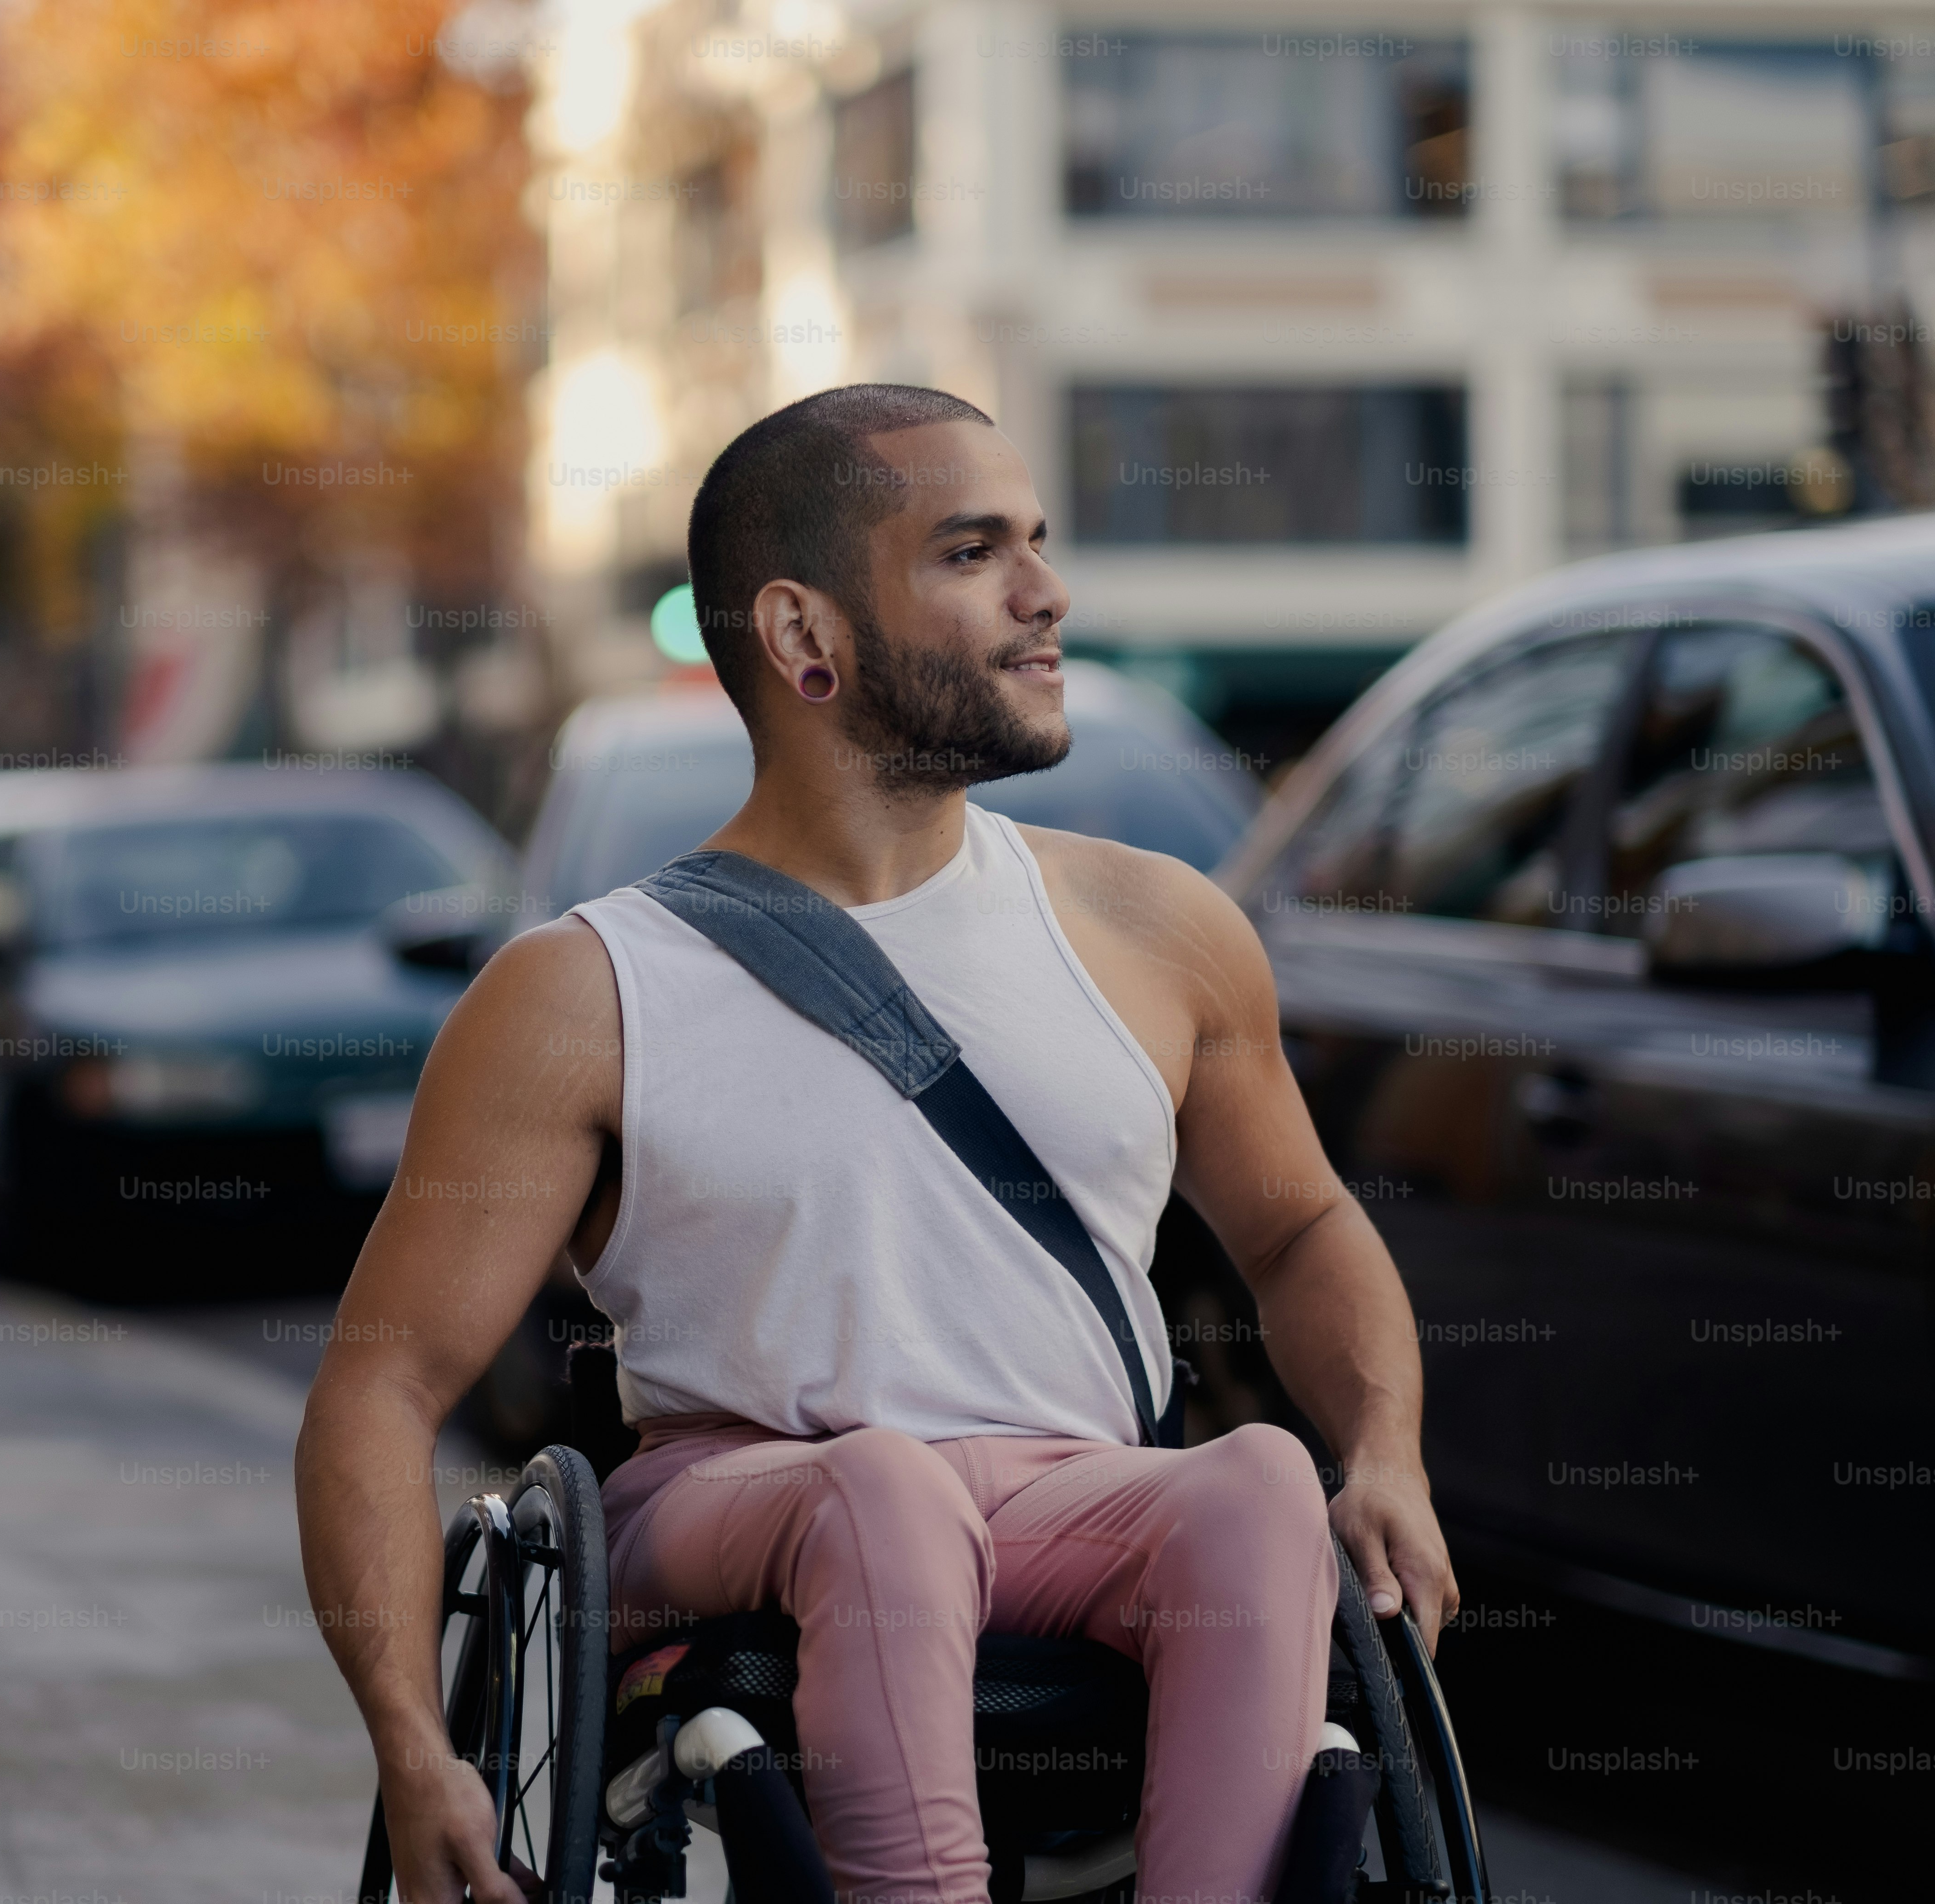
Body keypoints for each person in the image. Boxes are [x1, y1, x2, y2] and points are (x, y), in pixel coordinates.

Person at [295, 384, 1456, 1904]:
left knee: (1250, 1483)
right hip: (732, 1499)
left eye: (1037, 544)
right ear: (802, 637)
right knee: (885, 1489)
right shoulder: (584, 992)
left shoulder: (1161, 931)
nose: (1047, 595)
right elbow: (380, 1387)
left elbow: (1302, 1232)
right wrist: (410, 1745)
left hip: (1069, 1496)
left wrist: (1384, 1454)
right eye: (974, 553)